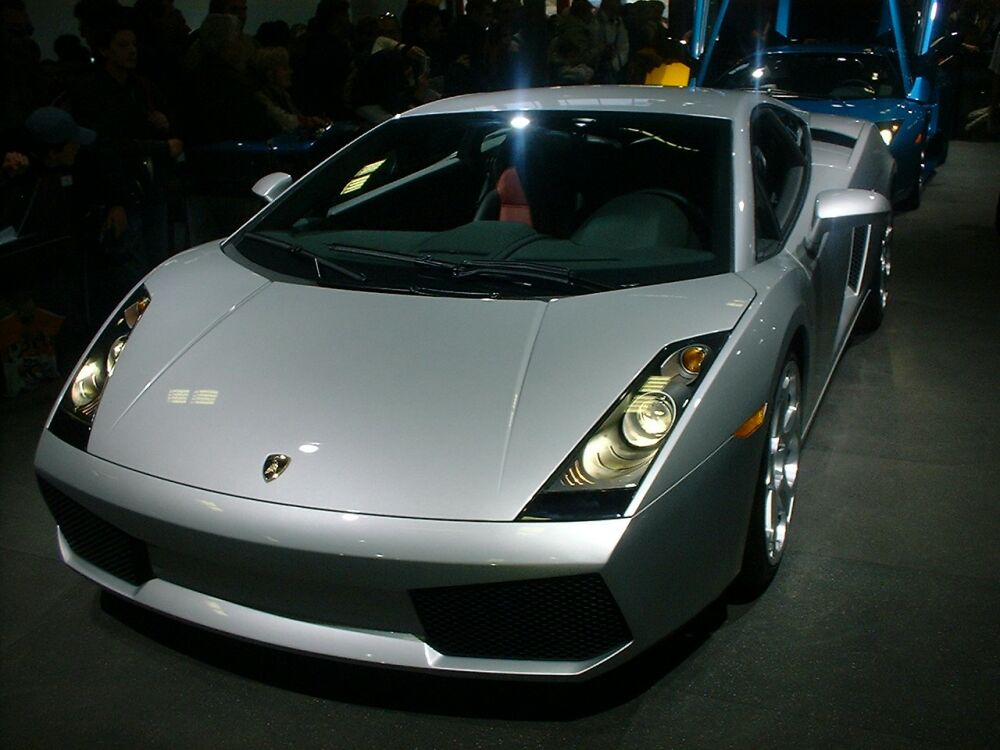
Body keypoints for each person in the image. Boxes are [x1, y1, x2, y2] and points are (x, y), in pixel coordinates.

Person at [72, 14, 183, 280]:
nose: (132, 50)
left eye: (133, 44)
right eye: (123, 45)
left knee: (155, 264)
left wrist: (164, 125)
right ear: (103, 50)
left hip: (147, 185)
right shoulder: (93, 91)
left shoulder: (140, 87)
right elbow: (105, 145)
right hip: (122, 189)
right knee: (132, 268)